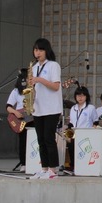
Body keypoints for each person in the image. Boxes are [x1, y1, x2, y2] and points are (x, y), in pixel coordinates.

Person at [28, 38, 63, 180]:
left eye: (40, 50)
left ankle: (53, 169)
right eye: (36, 50)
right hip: (38, 107)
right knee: (40, 139)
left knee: (49, 138)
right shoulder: (34, 67)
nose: (38, 53)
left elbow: (56, 86)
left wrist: (39, 79)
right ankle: (44, 169)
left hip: (51, 108)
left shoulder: (53, 65)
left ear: (46, 51)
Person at [67, 86, 98, 170]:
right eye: (78, 96)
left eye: (82, 95)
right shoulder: (73, 108)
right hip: (75, 134)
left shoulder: (91, 108)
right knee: (71, 148)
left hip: (86, 135)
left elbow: (96, 121)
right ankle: (73, 166)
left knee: (84, 152)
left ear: (86, 96)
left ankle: (84, 167)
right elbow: (71, 123)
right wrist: (68, 134)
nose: (80, 98)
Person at [6, 73, 32, 172]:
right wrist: (15, 112)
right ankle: (24, 163)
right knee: (23, 141)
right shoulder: (16, 91)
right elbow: (8, 106)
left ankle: (38, 162)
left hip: (34, 117)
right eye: (26, 79)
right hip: (21, 118)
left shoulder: (35, 89)